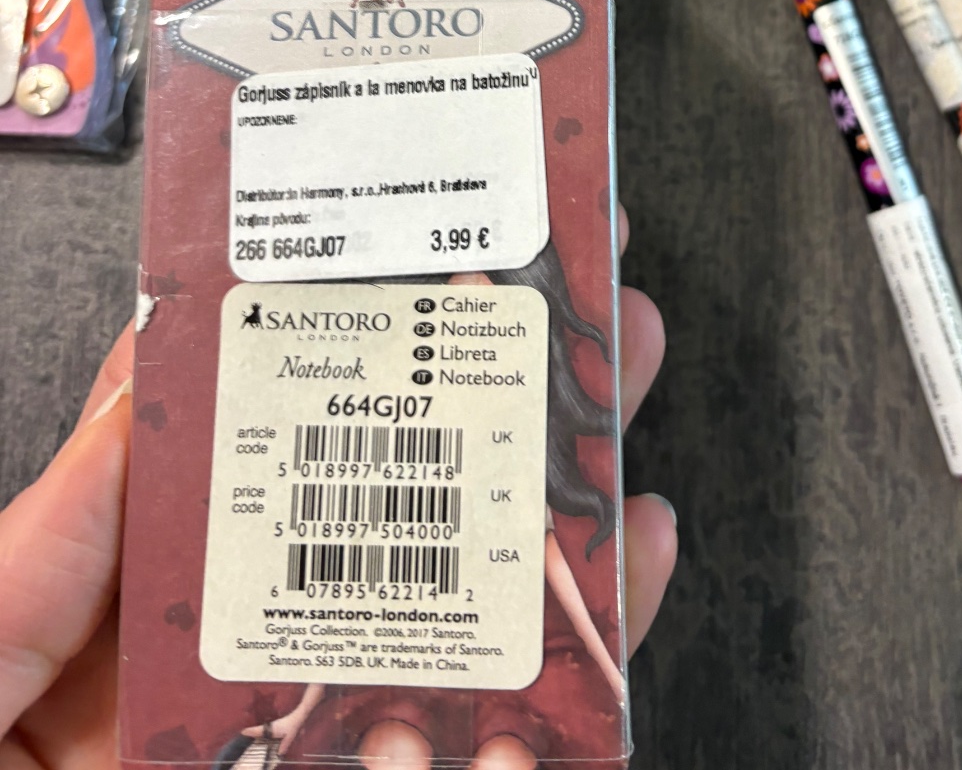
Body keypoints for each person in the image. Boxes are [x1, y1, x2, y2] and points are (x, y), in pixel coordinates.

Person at [0, 209, 675, 769]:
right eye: (445, 323)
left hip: (505, 652)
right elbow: (333, 601)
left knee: (506, 758)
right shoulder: (344, 439)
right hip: (389, 664)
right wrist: (296, 712)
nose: (463, 346)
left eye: (484, 331)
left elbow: (548, 557)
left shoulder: (503, 451)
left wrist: (608, 669)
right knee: (395, 750)